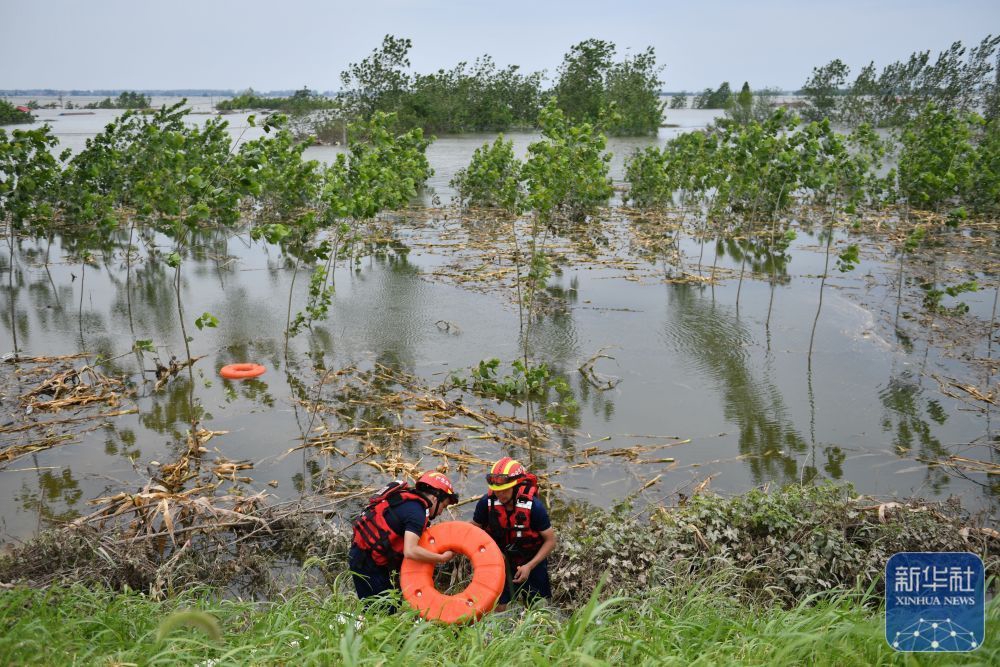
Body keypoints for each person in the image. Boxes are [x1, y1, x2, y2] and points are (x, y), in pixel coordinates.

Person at [349, 470, 458, 608]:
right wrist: (441, 558)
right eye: (444, 506)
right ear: (435, 498)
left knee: (388, 604)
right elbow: (410, 551)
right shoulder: (417, 513)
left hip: (364, 553)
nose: (442, 511)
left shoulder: (408, 501)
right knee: (383, 610)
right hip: (365, 562)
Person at [472, 457, 556, 610]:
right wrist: (494, 553)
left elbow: (550, 541)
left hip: (531, 562)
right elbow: (473, 531)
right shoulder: (487, 503)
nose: (500, 495)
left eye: (505, 490)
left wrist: (529, 566)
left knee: (539, 608)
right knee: (498, 607)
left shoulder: (534, 507)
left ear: (517, 486)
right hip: (500, 562)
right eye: (496, 490)